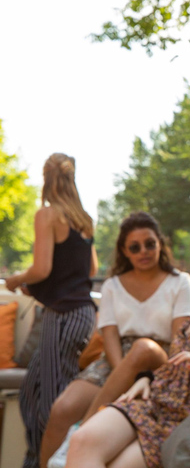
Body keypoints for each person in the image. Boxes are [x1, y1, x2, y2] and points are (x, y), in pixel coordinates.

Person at [64, 228, 190, 468]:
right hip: (155, 397)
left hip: (184, 413)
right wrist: (148, 377)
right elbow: (179, 361)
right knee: (81, 441)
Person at [42, 211, 190, 468]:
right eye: (134, 247)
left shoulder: (181, 282)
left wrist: (139, 374)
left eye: (150, 244)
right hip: (116, 359)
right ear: (125, 251)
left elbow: (180, 339)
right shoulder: (113, 285)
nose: (143, 251)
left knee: (142, 348)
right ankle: (53, 462)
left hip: (163, 357)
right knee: (62, 408)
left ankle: (73, 444)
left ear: (160, 243)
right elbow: (110, 337)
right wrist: (123, 376)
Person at [4, 153, 98, 468]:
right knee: (32, 388)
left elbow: (42, 269)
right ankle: (36, 457)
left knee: (51, 401)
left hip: (62, 318)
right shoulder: (84, 220)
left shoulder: (48, 215)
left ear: (46, 178)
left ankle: (44, 463)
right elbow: (92, 267)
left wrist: (16, 279)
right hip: (83, 315)